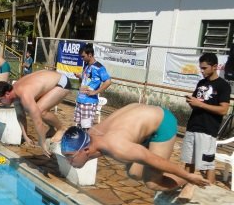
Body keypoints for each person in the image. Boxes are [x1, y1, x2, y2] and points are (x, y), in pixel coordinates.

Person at [60, 103, 211, 192]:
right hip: (139, 118)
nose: (68, 161)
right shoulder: (90, 136)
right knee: (134, 173)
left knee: (152, 183)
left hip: (162, 123)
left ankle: (191, 177)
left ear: (86, 150)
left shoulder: (118, 148)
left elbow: (155, 160)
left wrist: (188, 176)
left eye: (69, 156)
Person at [0, 70, 71, 157]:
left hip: (62, 82)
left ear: (7, 94)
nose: (0, 103)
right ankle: (52, 129)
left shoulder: (24, 94)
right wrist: (25, 136)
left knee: (40, 111)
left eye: (0, 100)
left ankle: (61, 129)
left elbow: (37, 120)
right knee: (36, 109)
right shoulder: (14, 93)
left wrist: (42, 141)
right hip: (51, 81)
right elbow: (21, 116)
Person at [181, 52, 231, 184]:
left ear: (214, 66)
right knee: (189, 162)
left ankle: (210, 194)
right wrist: (192, 103)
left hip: (208, 131)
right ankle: (184, 189)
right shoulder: (201, 82)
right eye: (200, 68)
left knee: (208, 166)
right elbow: (197, 104)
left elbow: (223, 110)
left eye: (204, 68)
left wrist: (200, 104)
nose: (201, 71)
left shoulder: (223, 85)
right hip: (192, 127)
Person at [74, 43, 111, 130]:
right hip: (80, 100)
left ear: (90, 55)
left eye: (83, 56)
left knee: (86, 128)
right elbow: (87, 78)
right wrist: (80, 76)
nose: (82, 59)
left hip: (89, 102)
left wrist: (95, 92)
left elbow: (108, 81)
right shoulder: (86, 66)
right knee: (79, 126)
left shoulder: (99, 68)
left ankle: (87, 143)